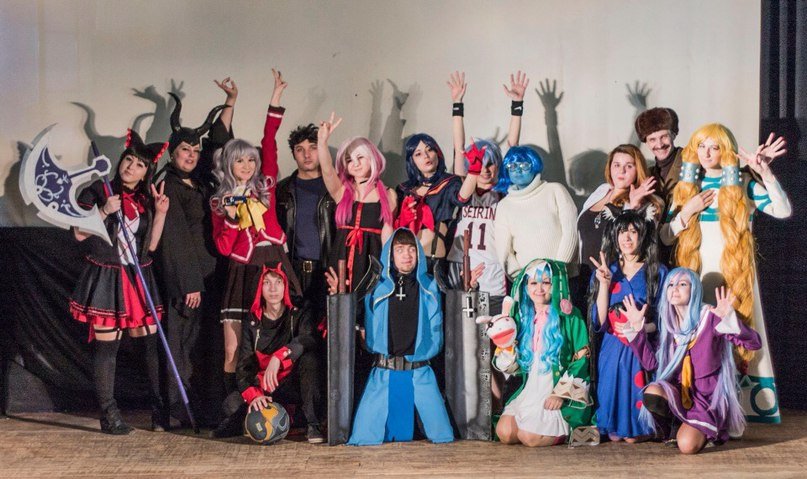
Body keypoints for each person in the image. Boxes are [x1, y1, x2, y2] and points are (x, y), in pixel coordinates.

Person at [661, 124, 790, 423]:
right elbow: (666, 236)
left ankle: (735, 410)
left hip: (735, 273)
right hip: (697, 274)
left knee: (735, 329)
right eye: (702, 146)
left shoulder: (742, 183)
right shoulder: (686, 188)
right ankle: (700, 405)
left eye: (714, 147)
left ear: (725, 150)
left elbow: (783, 210)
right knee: (699, 339)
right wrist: (687, 210)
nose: (707, 153)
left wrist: (766, 174)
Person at [69, 130, 170, 434]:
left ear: (145, 172)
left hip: (137, 276)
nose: (131, 167)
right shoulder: (98, 191)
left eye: (139, 165)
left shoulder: (145, 200)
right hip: (107, 275)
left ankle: (160, 411)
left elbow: (151, 246)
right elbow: (78, 234)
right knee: (107, 348)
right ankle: (109, 414)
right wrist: (103, 211)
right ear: (121, 161)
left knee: (150, 343)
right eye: (128, 160)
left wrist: (160, 213)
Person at [210, 70, 302, 397]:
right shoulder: (221, 200)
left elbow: (269, 141)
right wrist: (231, 218)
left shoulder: (266, 185)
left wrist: (275, 100)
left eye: (251, 160)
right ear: (229, 165)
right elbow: (224, 248)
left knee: (277, 342)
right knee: (234, 350)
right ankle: (234, 410)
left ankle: (278, 406)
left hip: (273, 260)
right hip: (243, 270)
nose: (247, 166)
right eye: (240, 161)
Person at [154, 80, 232, 426]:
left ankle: (202, 411)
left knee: (202, 347)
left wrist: (230, 101)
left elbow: (220, 145)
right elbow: (173, 239)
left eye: (195, 151)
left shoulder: (199, 182)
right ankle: (177, 412)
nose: (191, 155)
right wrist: (189, 284)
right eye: (185, 149)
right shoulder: (168, 185)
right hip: (188, 284)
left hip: (209, 278)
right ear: (172, 152)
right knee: (181, 347)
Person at [626, 268, 761, 454]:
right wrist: (636, 330)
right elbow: (652, 364)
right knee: (653, 391)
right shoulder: (669, 327)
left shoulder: (709, 317)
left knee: (687, 447)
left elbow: (754, 343)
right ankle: (673, 428)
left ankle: (707, 431)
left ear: (694, 289)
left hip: (706, 400)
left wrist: (730, 320)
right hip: (679, 394)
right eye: (670, 284)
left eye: (682, 284)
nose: (675, 288)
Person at [345, 228, 454, 445]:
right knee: (362, 438)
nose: (407, 255)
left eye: (412, 249)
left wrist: (471, 287)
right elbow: (353, 316)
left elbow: (448, 317)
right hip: (383, 372)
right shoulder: (375, 287)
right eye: (400, 250)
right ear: (390, 254)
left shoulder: (430, 287)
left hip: (421, 372)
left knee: (443, 436)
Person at [210, 262, 324, 443]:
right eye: (267, 283)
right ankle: (257, 420)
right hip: (266, 387)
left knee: (310, 360)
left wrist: (280, 356)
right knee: (231, 405)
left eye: (278, 282)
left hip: (292, 384)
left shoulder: (299, 311)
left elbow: (308, 339)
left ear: (285, 285)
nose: (273, 289)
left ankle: (312, 424)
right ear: (260, 288)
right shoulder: (253, 320)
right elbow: (244, 367)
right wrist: (255, 396)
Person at [495, 259, 594, 447]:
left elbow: (582, 358)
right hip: (530, 389)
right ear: (526, 287)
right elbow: (512, 366)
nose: (539, 289)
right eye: (533, 283)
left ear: (555, 284)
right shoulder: (521, 316)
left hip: (555, 389)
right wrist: (506, 350)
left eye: (546, 282)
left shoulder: (570, 316)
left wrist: (560, 394)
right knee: (505, 433)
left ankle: (575, 432)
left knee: (529, 438)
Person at [588, 208, 667, 442]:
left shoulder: (658, 272)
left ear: (642, 235)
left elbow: (665, 320)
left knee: (634, 435)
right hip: (612, 349)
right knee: (613, 435)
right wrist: (604, 285)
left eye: (633, 231)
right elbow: (600, 321)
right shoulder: (606, 271)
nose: (627, 237)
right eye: (622, 232)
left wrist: (641, 328)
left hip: (641, 349)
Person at [574, 144, 663, 307]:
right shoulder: (602, 190)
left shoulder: (644, 205)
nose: (621, 171)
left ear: (637, 170)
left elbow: (641, 242)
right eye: (617, 165)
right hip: (584, 276)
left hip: (613, 281)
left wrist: (634, 207)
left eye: (629, 166)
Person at [317, 113, 397, 292]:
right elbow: (327, 170)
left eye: (360, 157)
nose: (355, 163)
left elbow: (387, 236)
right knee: (339, 305)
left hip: (372, 261)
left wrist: (387, 271)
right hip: (340, 260)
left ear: (372, 158)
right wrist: (322, 142)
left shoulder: (388, 194)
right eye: (349, 160)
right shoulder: (341, 191)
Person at [276, 111, 336, 313]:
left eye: (313, 148)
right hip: (293, 271)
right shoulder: (282, 190)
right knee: (295, 326)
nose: (307, 155)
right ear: (294, 154)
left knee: (327, 326)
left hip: (327, 271)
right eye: (300, 149)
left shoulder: (335, 188)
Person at [493, 146, 578, 280]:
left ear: (534, 166)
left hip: (562, 277)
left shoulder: (555, 191)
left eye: (524, 165)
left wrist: (557, 269)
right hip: (528, 282)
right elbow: (504, 251)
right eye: (512, 166)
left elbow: (571, 233)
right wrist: (522, 278)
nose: (518, 170)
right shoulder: (504, 206)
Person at [634, 107, 683, 205]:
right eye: (652, 139)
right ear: (646, 143)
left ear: (673, 135)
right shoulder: (647, 174)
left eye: (664, 137)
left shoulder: (692, 159)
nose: (660, 145)